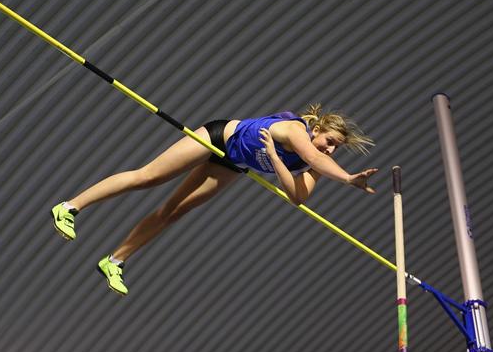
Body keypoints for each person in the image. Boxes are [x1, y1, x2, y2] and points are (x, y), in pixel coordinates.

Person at [51, 104, 378, 295]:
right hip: (220, 137)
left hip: (234, 164)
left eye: (337, 149)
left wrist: (276, 161)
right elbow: (314, 157)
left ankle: (115, 261)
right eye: (330, 142)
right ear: (318, 129)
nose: (330, 150)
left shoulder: (313, 164)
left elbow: (296, 198)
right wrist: (349, 178)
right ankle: (69, 206)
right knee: (148, 177)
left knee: (173, 211)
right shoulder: (296, 131)